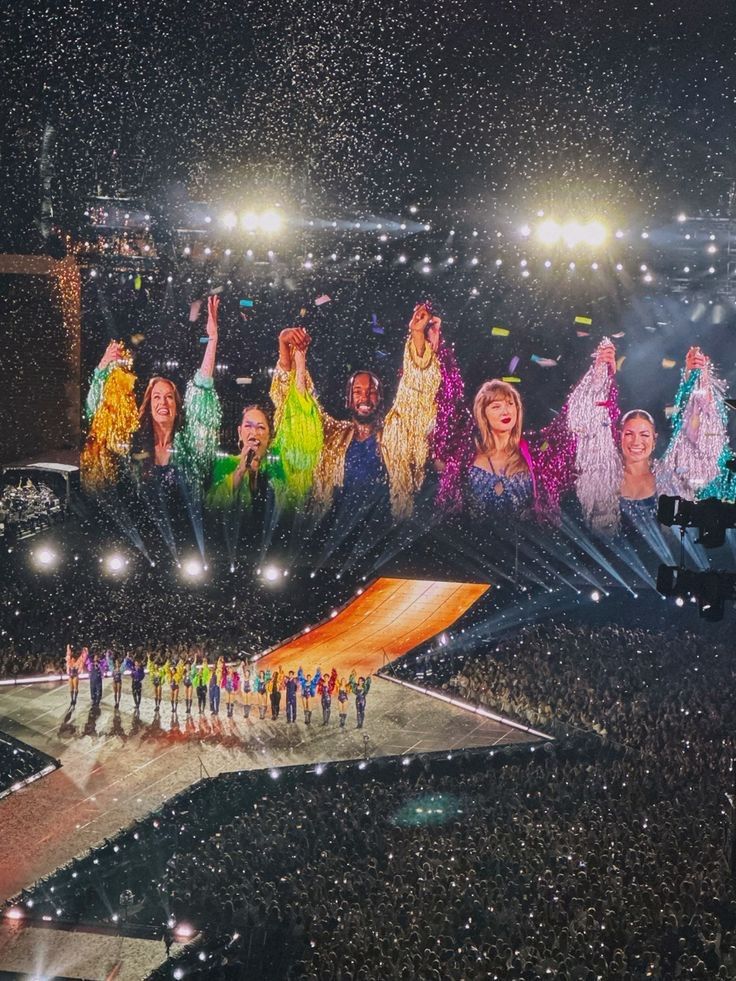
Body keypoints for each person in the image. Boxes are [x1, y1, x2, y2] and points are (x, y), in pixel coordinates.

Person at [271, 303, 442, 521]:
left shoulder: (395, 433)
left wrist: (417, 335)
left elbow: (415, 394)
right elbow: (300, 411)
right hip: (332, 536)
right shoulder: (331, 435)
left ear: (380, 398)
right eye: (358, 391)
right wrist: (288, 350)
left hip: (382, 534)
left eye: (371, 391)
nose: (364, 397)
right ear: (348, 399)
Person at [82, 295, 222, 499]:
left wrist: (212, 339)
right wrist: (102, 369)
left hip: (183, 526)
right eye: (156, 397)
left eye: (169, 397)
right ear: (148, 405)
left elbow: (202, 389)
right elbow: (97, 413)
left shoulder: (189, 445)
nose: (163, 402)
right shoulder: (133, 442)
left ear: (177, 405)